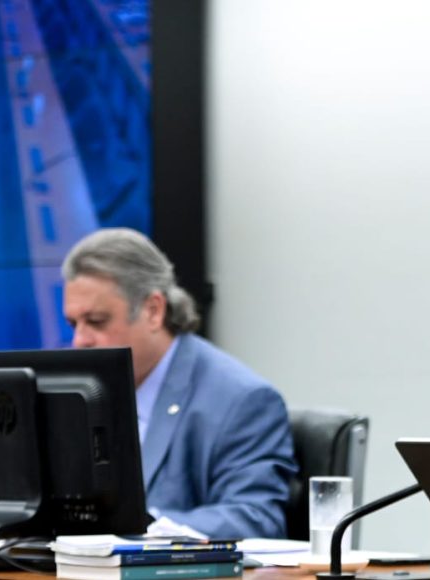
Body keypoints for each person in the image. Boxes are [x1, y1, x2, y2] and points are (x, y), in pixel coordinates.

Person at [62, 227, 297, 539]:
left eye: (96, 321)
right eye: (73, 324)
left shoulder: (242, 400)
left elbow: (256, 517)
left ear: (153, 310)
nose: (79, 340)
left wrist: (143, 527)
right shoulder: (79, 394)